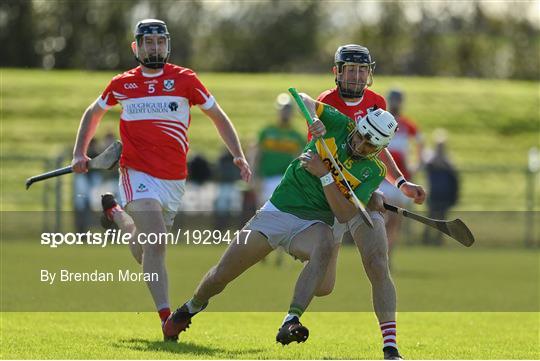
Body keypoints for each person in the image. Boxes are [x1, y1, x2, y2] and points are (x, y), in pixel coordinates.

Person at [164, 94, 404, 360]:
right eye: (360, 136)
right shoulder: (339, 124)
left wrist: (325, 175)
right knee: (221, 276)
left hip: (313, 223)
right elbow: (301, 97)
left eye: (369, 145)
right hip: (277, 211)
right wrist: (313, 119)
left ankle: (291, 320)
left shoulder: (374, 170)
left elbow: (345, 213)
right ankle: (191, 307)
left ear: (380, 149)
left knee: (325, 240)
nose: (359, 144)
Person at [70, 19, 251, 340]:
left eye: (160, 42)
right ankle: (168, 319)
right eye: (148, 42)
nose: (155, 48)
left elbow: (217, 115)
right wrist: (79, 153)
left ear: (167, 44)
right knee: (156, 240)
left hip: (173, 179)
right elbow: (92, 113)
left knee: (144, 249)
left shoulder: (185, 80)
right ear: (135, 47)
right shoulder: (122, 83)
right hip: (136, 172)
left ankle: (117, 217)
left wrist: (237, 153)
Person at [313, 44, 425, 206]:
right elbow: (319, 154)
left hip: (357, 183)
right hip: (324, 185)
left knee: (376, 223)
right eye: (351, 69)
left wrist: (401, 183)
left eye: (362, 69)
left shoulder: (376, 103)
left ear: (369, 72)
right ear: (337, 71)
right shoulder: (326, 101)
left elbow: (376, 149)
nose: (357, 76)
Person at [379, 89, 424, 255]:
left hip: (402, 178)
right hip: (384, 178)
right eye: (393, 99)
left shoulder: (407, 124)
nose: (395, 103)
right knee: (386, 218)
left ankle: (387, 254)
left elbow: (420, 142)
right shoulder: (381, 120)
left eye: (398, 100)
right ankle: (380, 252)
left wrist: (416, 165)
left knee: (395, 221)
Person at [254, 93, 306, 204]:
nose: (285, 112)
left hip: (285, 181)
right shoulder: (267, 132)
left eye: (288, 109)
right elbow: (256, 155)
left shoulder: (296, 136)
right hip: (266, 179)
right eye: (283, 109)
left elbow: (299, 162)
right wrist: (255, 177)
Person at [422, 130, 459, 245]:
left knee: (443, 218)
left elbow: (454, 176)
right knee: (430, 217)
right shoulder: (431, 158)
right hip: (433, 193)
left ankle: (439, 240)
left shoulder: (448, 160)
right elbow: (426, 163)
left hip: (444, 194)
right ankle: (426, 239)